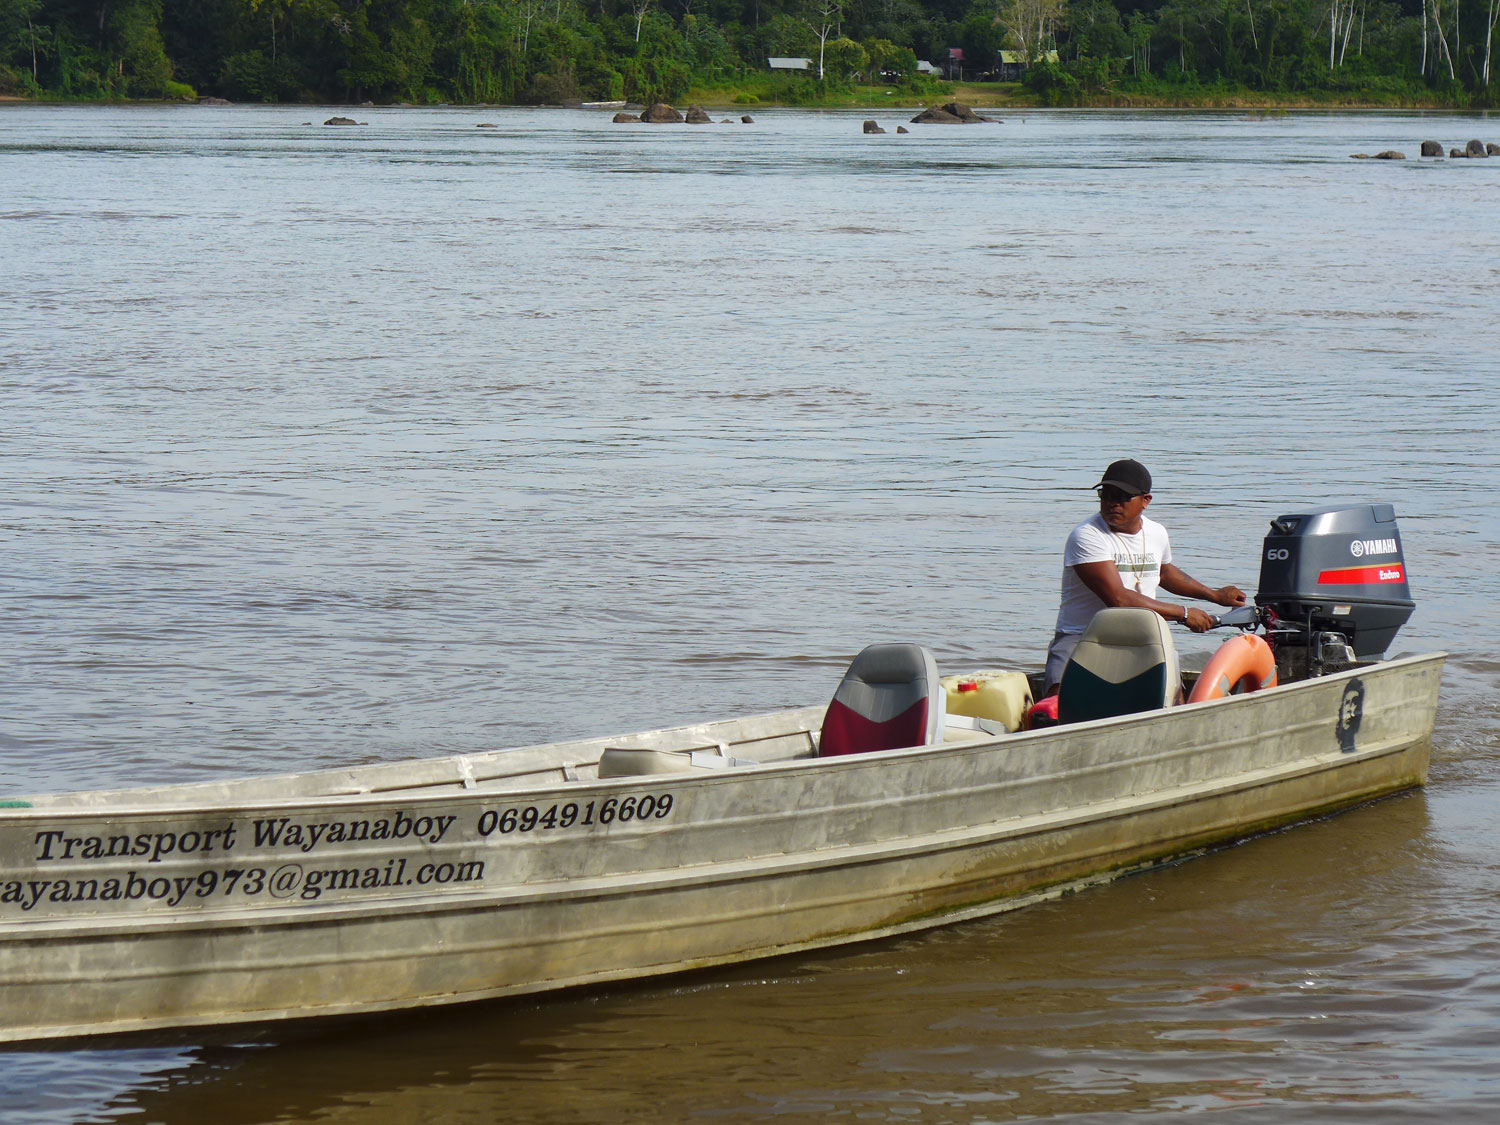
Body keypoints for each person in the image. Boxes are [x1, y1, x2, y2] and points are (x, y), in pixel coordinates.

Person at [1044, 458, 1246, 694]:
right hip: (1083, 636)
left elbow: (1164, 572)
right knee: (1056, 702)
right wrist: (1185, 614)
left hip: (1143, 636)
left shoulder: (1156, 532)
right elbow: (1119, 599)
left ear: (1145, 501)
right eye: (1106, 494)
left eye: (1121, 496)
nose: (1112, 503)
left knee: (1172, 696)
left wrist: (1214, 595)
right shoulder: (1087, 536)